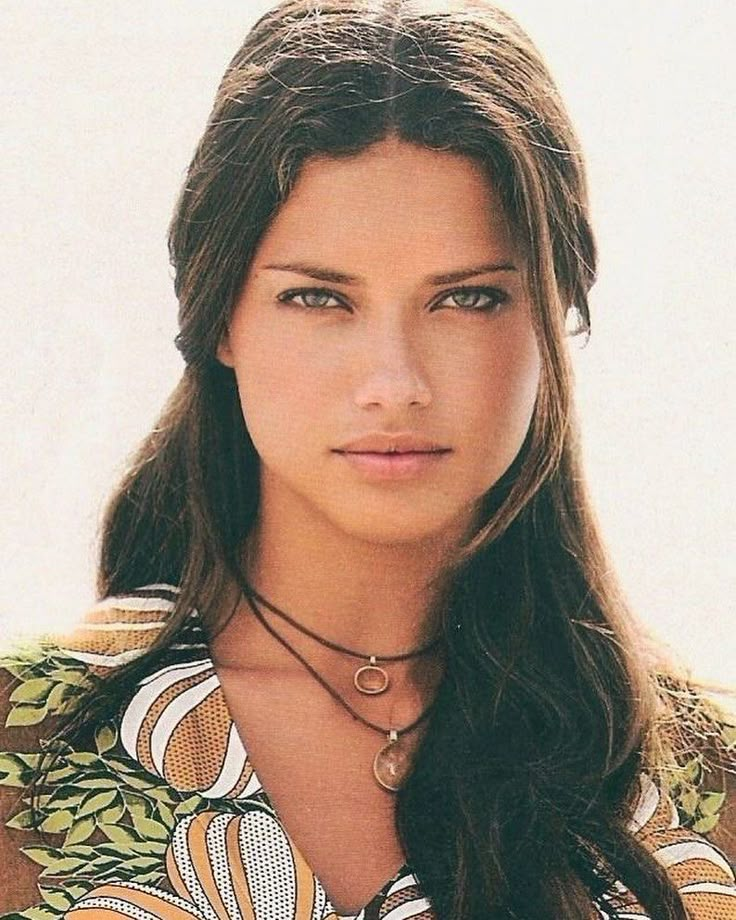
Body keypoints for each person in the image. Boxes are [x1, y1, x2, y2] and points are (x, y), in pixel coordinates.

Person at [1, 1, 734, 918]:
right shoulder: (21, 744)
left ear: (554, 320)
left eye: (466, 300)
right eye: (318, 299)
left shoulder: (709, 784)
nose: (395, 382)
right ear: (218, 316)